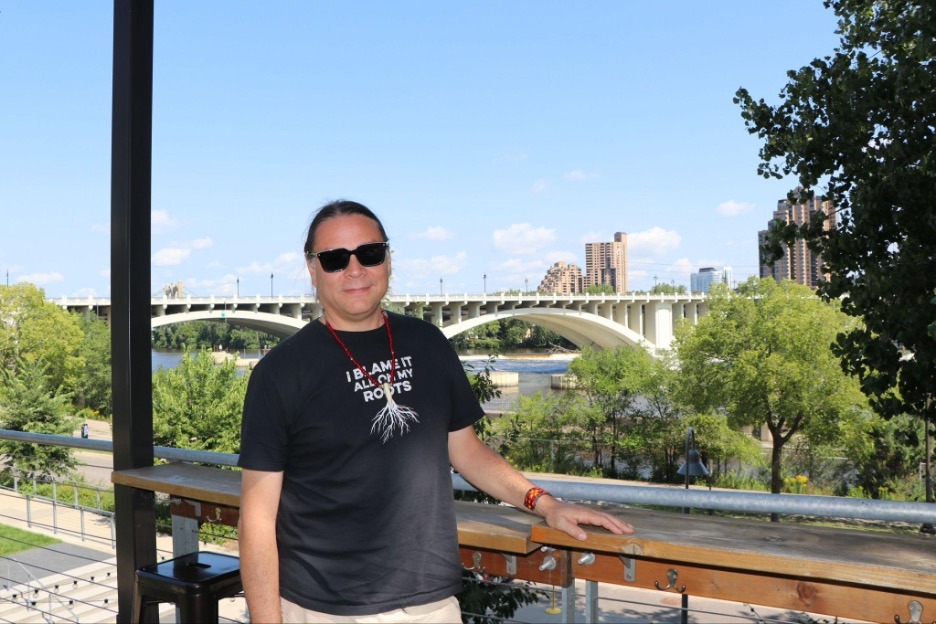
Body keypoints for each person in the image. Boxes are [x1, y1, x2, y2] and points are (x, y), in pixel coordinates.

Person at [237, 200, 633, 623]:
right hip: (322, 609)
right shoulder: (280, 372)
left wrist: (544, 503)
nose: (355, 270)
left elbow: (467, 451)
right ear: (312, 269)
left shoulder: (428, 344)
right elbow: (257, 518)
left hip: (430, 604)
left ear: (388, 259)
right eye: (335, 259)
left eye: (369, 253)